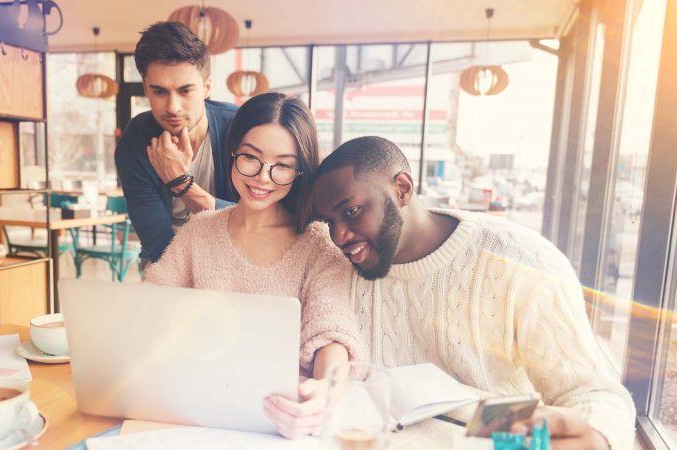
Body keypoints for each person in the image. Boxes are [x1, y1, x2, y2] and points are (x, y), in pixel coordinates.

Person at [309, 136, 635, 450]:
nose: (338, 236)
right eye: (328, 221)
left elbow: (595, 392)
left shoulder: (521, 260)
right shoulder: (334, 268)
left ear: (403, 189)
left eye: (351, 212)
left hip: (490, 439)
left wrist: (599, 435)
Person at [145, 92, 364, 439]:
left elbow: (332, 334)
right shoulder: (200, 230)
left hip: (277, 420)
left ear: (300, 170)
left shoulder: (318, 245)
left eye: (283, 166)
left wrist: (326, 391)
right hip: (200, 408)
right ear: (233, 152)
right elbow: (149, 304)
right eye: (250, 158)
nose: (263, 177)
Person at [115, 22, 238, 263]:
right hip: (169, 262)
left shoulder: (238, 129)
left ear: (207, 87)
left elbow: (262, 222)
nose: (172, 107)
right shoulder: (135, 142)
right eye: (159, 91)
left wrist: (180, 183)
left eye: (185, 90)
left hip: (236, 256)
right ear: (146, 89)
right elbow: (158, 243)